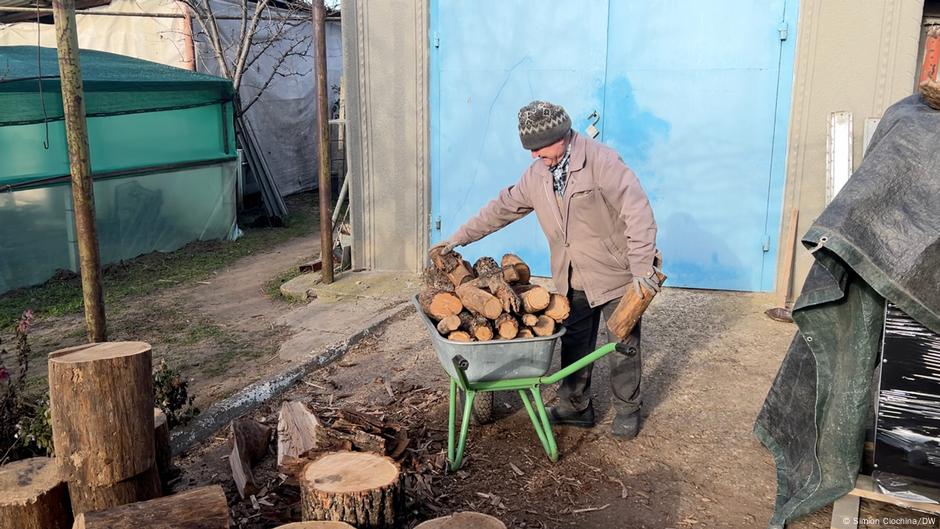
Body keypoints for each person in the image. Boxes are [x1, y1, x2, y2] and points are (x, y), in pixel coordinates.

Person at [431, 100, 661, 439]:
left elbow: (637, 209)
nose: (536, 154)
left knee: (622, 342)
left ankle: (627, 407)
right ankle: (576, 406)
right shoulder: (537, 174)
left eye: (542, 147)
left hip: (616, 272)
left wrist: (642, 268)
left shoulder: (601, 161)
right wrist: (457, 239)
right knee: (575, 343)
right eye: (531, 149)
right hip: (572, 275)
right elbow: (501, 208)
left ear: (564, 134)